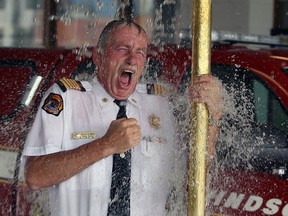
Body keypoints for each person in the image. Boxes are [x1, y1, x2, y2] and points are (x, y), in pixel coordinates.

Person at [23, 18, 223, 216]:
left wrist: (211, 119)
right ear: (98, 57)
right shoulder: (67, 98)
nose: (132, 59)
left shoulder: (162, 105)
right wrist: (105, 145)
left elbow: (191, 184)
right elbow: (34, 176)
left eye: (140, 52)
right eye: (123, 49)